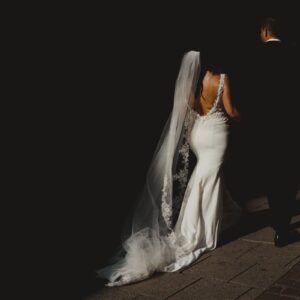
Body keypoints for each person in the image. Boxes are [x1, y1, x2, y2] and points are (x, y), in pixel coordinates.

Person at [97, 50, 241, 286]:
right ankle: (204, 233)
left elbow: (185, 111)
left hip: (198, 134)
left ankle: (196, 225)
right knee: (210, 177)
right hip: (216, 134)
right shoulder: (222, 78)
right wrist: (248, 119)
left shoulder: (193, 83)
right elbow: (231, 109)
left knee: (204, 176)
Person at [255, 17, 299, 247]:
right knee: (289, 176)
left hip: (266, 128)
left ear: (264, 31)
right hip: (290, 126)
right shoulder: (293, 54)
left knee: (271, 174)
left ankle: (277, 221)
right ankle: (283, 225)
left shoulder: (256, 58)